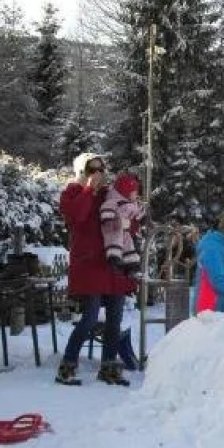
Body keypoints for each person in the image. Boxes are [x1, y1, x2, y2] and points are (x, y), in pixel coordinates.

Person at [56, 152, 133, 387]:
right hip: (89, 265)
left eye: (101, 169)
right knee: (89, 319)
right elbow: (77, 215)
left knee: (115, 319)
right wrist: (88, 190)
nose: (98, 174)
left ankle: (108, 366)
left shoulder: (108, 195)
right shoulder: (72, 193)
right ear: (82, 172)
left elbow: (127, 214)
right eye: (92, 169)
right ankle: (67, 365)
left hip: (113, 263)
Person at [100, 172, 143, 277]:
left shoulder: (132, 204)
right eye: (134, 192)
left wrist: (142, 214)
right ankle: (114, 257)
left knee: (129, 245)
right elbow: (106, 208)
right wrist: (108, 217)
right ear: (126, 191)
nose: (136, 195)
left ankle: (131, 265)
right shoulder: (114, 201)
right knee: (115, 239)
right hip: (114, 227)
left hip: (126, 230)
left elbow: (137, 214)